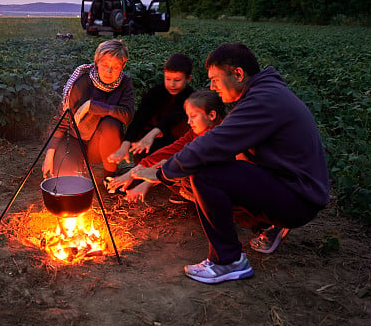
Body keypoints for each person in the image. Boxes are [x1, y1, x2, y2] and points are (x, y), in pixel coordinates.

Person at [133, 42, 330, 284]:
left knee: (205, 174)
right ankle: (265, 225)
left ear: (237, 74)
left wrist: (163, 173)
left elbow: (213, 143)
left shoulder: (264, 101)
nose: (212, 86)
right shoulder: (264, 94)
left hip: (298, 198)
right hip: (294, 187)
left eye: (215, 79)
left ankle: (228, 260)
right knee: (213, 171)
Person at [106, 90, 225, 204]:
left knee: (181, 171)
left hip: (220, 185)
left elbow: (185, 162)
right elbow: (171, 151)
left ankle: (207, 204)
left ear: (212, 115)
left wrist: (148, 180)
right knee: (170, 164)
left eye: (193, 116)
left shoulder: (219, 136)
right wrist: (134, 172)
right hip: (196, 176)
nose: (189, 122)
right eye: (188, 117)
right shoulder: (196, 132)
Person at [42, 39, 134, 179]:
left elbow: (127, 115)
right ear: (96, 63)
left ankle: (109, 177)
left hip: (101, 144)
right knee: (66, 178)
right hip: (75, 139)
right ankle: (77, 164)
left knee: (111, 124)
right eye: (104, 65)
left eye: (115, 67)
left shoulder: (125, 82)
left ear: (123, 65)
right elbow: (61, 120)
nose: (109, 72)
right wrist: (49, 155)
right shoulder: (82, 82)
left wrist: (92, 106)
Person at [107, 53, 194, 167]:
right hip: (150, 143)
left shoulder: (192, 97)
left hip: (176, 144)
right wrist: (126, 143)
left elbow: (173, 116)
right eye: (168, 79)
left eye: (177, 80)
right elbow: (140, 116)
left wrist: (154, 134)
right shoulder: (156, 92)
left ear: (188, 79)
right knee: (143, 155)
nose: (172, 84)